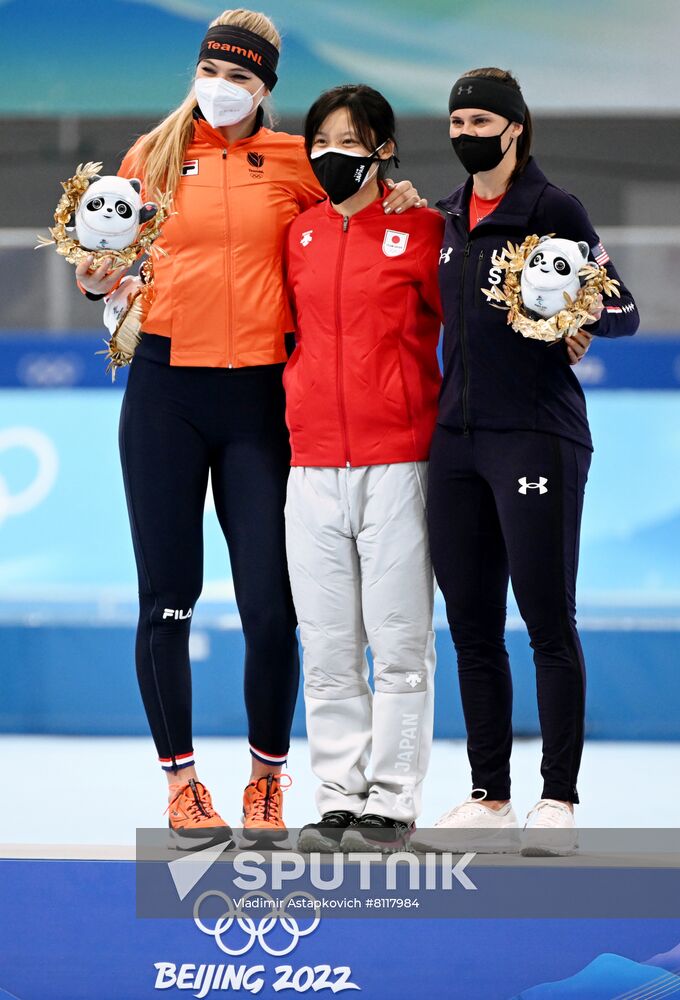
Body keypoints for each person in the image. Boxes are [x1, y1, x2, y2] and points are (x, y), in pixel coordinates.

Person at [74, 8, 424, 849]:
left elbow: (356, 220)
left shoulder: (299, 163)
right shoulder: (149, 158)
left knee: (274, 609)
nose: (222, 88)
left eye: (240, 77)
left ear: (266, 87)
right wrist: (97, 281)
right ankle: (183, 783)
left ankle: (268, 778)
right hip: (164, 395)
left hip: (261, 403)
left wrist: (402, 199)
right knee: (168, 601)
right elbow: (115, 263)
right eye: (212, 71)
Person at [414, 67, 638, 855]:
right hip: (455, 440)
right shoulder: (442, 216)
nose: (465, 133)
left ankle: (559, 799)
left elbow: (622, 310)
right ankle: (489, 795)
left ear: (515, 128)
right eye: (456, 121)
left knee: (546, 619)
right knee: (471, 626)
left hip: (536, 433)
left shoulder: (553, 209)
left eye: (480, 120)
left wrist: (577, 314)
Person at [283, 85, 444, 853]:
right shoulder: (298, 235)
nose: (329, 155)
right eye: (319, 141)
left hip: (400, 461)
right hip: (310, 465)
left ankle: (394, 797)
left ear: (383, 149)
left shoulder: (421, 230)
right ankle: (337, 795)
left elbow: (474, 333)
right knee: (328, 646)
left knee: (400, 642)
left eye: (349, 140)